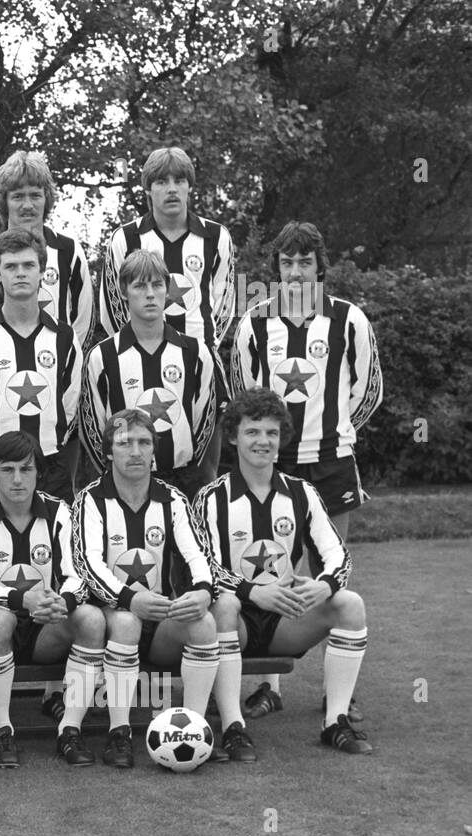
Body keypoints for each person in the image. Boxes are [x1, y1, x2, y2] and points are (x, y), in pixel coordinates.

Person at [229, 221, 382, 719]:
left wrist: (333, 432)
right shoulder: (253, 323)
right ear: (276, 269)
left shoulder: (349, 320)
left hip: (332, 462)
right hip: (276, 462)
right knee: (271, 564)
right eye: (287, 263)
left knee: (329, 573)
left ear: (320, 267)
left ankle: (340, 693)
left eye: (305, 262)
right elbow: (247, 398)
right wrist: (280, 444)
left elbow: (367, 389)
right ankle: (269, 685)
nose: (295, 272)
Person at [196, 389, 372, 755]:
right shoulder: (211, 498)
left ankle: (334, 721)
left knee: (350, 604)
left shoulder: (302, 493)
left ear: (282, 439)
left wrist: (324, 585)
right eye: (253, 432)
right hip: (236, 622)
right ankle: (233, 726)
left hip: (283, 622)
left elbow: (338, 555)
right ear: (232, 436)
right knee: (224, 606)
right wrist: (251, 592)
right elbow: (205, 567)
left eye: (271, 433)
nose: (263, 441)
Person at [69, 409, 218, 768]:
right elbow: (87, 564)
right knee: (125, 622)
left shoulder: (173, 499)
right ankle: (118, 732)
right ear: (108, 452)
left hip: (161, 617)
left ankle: (194, 731)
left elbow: (199, 554)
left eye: (144, 443)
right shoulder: (89, 500)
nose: (135, 451)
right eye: (125, 443)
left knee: (204, 623)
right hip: (110, 617)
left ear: (154, 451)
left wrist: (201, 591)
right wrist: (129, 599)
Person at [0, 431, 104, 767]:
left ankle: (70, 729)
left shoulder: (60, 513)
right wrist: (22, 600)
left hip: (46, 628)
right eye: (7, 469)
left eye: (26, 469)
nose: (17, 479)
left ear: (39, 472)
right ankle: (1, 731)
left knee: (91, 618)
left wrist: (62, 602)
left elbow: (77, 574)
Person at [100, 146, 234, 485]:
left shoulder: (217, 237)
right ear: (147, 190)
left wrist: (195, 348)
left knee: (203, 475)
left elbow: (224, 303)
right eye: (161, 181)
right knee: (135, 468)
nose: (171, 188)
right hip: (135, 367)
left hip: (199, 368)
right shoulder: (126, 238)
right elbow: (113, 307)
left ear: (190, 186)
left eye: (179, 180)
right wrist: (145, 345)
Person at [0, 227, 82, 504]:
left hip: (50, 467)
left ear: (42, 271)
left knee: (57, 546)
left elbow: (69, 405)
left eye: (28, 265)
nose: (20, 273)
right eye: (10, 266)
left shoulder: (65, 338)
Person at [80, 248, 216, 500]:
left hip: (183, 480)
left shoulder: (195, 352)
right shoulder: (103, 356)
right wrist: (114, 473)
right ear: (124, 291)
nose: (150, 294)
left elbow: (204, 421)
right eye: (140, 286)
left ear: (167, 288)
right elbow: (93, 428)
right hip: (123, 483)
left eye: (157, 285)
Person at [0, 150, 94, 348]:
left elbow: (84, 321)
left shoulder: (69, 252)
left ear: (46, 199)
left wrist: (66, 364)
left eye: (35, 195)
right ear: (4, 201)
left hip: (57, 373)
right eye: (18, 196)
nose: (27, 205)